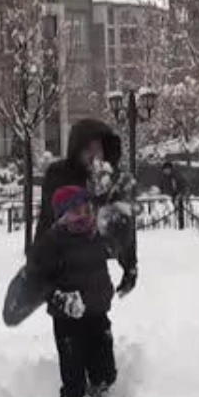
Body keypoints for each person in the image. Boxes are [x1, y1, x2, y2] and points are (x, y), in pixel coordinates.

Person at [26, 185, 121, 397]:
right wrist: (59, 298)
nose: (84, 215)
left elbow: (116, 247)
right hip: (68, 318)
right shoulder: (52, 242)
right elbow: (37, 279)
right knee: (73, 371)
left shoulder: (96, 236)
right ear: (62, 216)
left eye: (87, 210)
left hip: (97, 312)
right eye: (76, 211)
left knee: (105, 371)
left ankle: (100, 396)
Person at [37, 119, 138, 297]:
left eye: (98, 149)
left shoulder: (109, 180)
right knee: (69, 320)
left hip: (96, 272)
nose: (93, 155)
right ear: (76, 149)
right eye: (88, 149)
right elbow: (46, 220)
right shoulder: (59, 175)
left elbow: (123, 225)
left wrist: (130, 265)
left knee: (99, 319)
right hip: (64, 271)